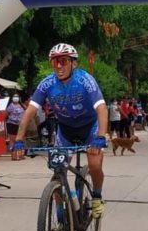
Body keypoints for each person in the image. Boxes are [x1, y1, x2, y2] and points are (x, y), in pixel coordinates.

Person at [12, 43, 109, 219]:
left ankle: (97, 196)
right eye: (54, 62)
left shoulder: (85, 80)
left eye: (63, 61)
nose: (58, 66)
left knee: (94, 164)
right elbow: (30, 111)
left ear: (74, 63)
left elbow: (102, 108)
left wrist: (101, 136)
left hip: (90, 128)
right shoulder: (47, 83)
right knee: (57, 175)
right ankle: (60, 219)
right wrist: (19, 139)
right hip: (65, 130)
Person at [5, 92, 25, 159]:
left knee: (20, 139)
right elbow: (6, 115)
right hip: (12, 124)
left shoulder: (22, 105)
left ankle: (20, 154)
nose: (15, 98)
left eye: (17, 96)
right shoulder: (10, 106)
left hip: (20, 125)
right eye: (14, 96)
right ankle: (13, 155)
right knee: (12, 140)